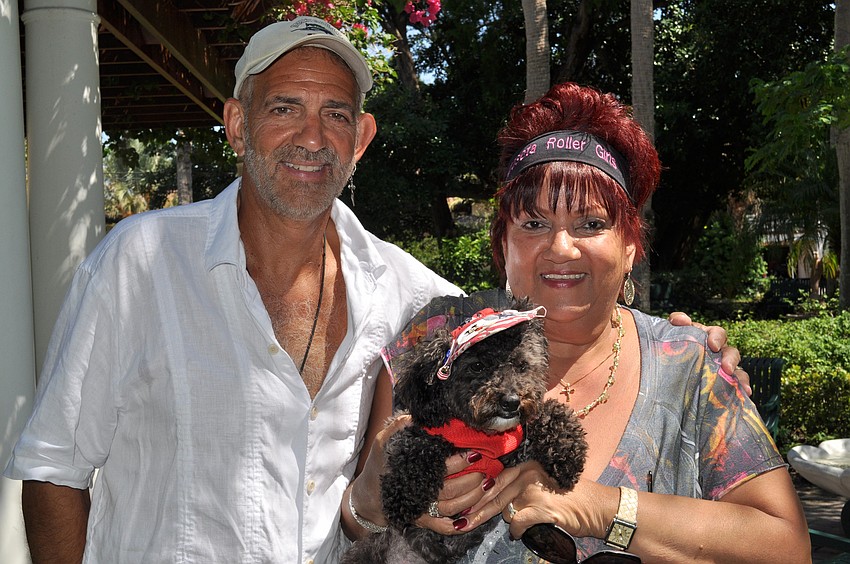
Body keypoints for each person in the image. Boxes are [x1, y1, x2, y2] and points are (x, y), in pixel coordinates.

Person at [5, 18, 741, 564]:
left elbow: (542, 325)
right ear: (236, 123)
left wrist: (678, 342)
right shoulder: (139, 263)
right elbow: (53, 469)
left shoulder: (409, 293)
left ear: (361, 138)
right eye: (284, 107)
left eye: (334, 115)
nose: (312, 137)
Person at [344, 82, 810, 563]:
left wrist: (600, 508)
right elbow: (360, 526)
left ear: (630, 246)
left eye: (590, 224)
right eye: (533, 223)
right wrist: (371, 501)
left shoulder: (689, 365)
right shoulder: (441, 335)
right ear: (503, 243)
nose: (561, 248)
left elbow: (786, 548)